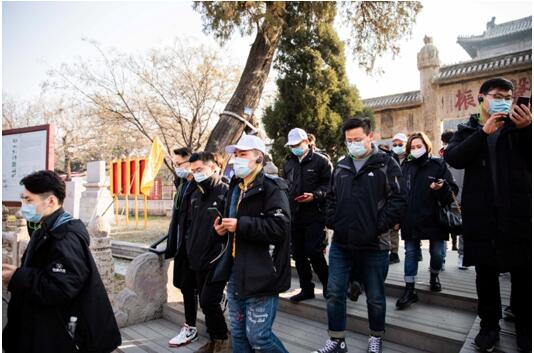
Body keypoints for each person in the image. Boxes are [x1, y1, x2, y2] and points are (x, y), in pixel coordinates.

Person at [444, 77, 531, 352]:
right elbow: (454, 157)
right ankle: (489, 326)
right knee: (486, 273)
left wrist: (528, 130)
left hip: (517, 215)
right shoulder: (468, 129)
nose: (504, 99)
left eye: (508, 95)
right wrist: (483, 134)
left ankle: (526, 326)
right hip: (481, 216)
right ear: (482, 98)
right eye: (497, 95)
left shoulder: (519, 128)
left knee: (524, 273)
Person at [313, 118, 406, 353]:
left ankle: (376, 336)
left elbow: (398, 199)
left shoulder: (386, 164)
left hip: (375, 243)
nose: (352, 144)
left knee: (375, 296)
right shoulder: (342, 165)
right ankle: (336, 340)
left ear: (370, 137)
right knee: (334, 292)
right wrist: (332, 219)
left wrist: (377, 225)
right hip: (342, 243)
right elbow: (332, 197)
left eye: (357, 139)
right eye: (349, 140)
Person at [2, 170, 121, 353]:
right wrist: (18, 272)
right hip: (41, 325)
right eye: (23, 199)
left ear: (50, 200)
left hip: (58, 333)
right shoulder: (48, 226)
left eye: (29, 200)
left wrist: (18, 277)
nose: (23, 206)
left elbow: (61, 287)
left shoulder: (66, 237)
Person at [212, 134, 291, 353]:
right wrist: (222, 231)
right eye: (235, 155)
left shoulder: (273, 188)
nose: (237, 159)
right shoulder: (235, 187)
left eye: (242, 154)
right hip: (236, 271)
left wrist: (241, 225)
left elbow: (279, 228)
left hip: (262, 273)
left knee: (259, 338)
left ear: (258, 158)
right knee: (238, 334)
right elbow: (233, 229)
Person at [395, 132, 458, 310]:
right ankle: (409, 289)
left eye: (419, 146)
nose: (416, 150)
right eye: (412, 147)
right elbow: (399, 193)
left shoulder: (439, 164)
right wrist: (398, 217)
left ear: (427, 146)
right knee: (410, 253)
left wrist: (441, 188)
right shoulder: (405, 166)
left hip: (435, 217)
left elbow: (452, 190)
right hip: (410, 217)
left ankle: (434, 275)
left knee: (437, 254)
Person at [282, 128, 332, 302]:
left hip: (315, 215)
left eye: (297, 144)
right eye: (292, 145)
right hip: (294, 215)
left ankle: (328, 285)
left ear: (307, 142)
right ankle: (306, 288)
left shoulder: (321, 161)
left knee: (314, 251)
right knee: (298, 254)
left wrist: (315, 195)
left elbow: (329, 186)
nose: (294, 148)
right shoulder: (288, 162)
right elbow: (285, 185)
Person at [187, 152, 230, 353]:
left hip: (217, 257)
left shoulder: (226, 192)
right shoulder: (195, 194)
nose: (196, 174)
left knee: (209, 301)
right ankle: (213, 340)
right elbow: (191, 227)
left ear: (213, 167)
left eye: (200, 170)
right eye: (193, 171)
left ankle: (223, 340)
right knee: (205, 304)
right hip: (197, 257)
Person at [165, 147, 200, 348]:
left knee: (198, 289)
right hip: (182, 244)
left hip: (196, 245)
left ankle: (193, 327)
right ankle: (190, 326)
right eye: (175, 164)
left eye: (179, 164)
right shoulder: (182, 184)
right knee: (185, 285)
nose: (176, 168)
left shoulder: (200, 185)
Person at [440, 131, 467, 269]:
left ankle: (461, 255)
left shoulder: (463, 155)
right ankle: (443, 257)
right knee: (445, 225)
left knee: (461, 227)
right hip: (447, 198)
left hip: (459, 198)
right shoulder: (441, 158)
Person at [388, 132, 408, 264]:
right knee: (393, 227)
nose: (397, 146)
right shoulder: (389, 158)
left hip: (409, 197)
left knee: (408, 226)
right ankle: (394, 252)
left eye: (400, 144)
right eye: (394, 144)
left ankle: (414, 250)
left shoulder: (411, 158)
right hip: (394, 195)